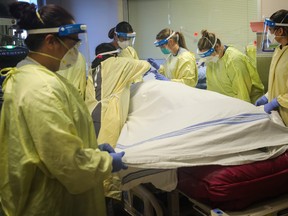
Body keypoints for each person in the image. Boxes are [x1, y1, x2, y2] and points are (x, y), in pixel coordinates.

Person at [0, 2, 127, 216]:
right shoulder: (41, 88)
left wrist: (92, 149)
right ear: (51, 41)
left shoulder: (34, 77)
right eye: (73, 44)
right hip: (52, 203)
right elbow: (68, 164)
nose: (76, 51)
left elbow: (54, 142)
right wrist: (105, 162)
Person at [197, 30, 264, 104]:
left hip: (247, 104)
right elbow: (211, 87)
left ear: (217, 47)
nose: (207, 59)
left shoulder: (234, 60)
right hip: (226, 104)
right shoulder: (212, 61)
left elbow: (242, 93)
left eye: (209, 55)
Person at [255, 9, 288, 126]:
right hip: (279, 115)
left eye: (270, 30)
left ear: (280, 31)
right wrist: (267, 96)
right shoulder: (279, 49)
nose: (269, 33)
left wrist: (277, 101)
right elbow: (278, 82)